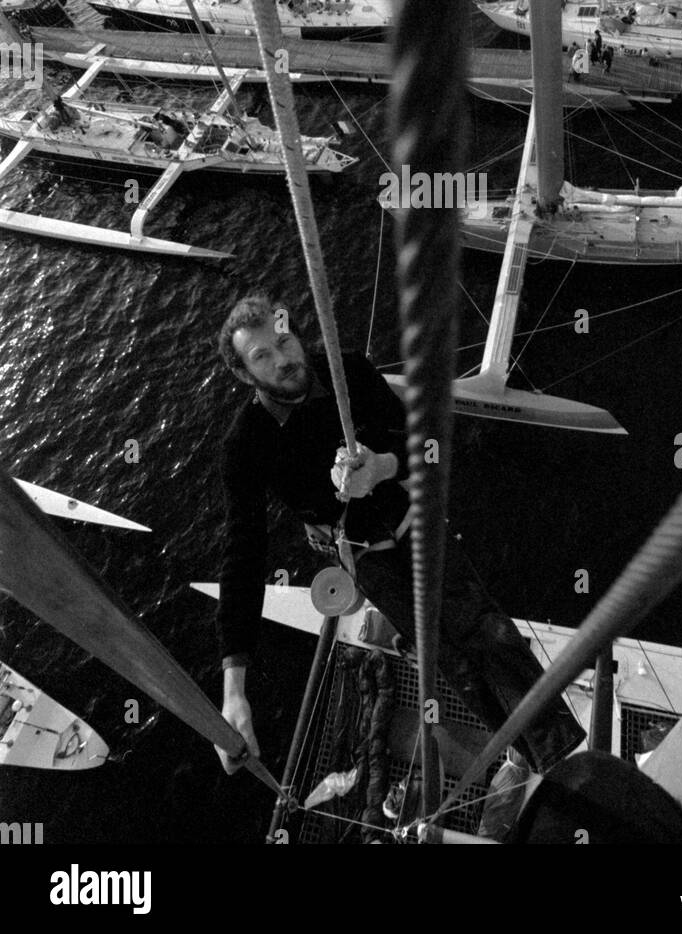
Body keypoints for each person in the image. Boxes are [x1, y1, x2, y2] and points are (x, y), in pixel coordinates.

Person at [213, 295, 585, 778]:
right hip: (363, 551)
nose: (283, 359)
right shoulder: (246, 444)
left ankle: (559, 757)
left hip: (406, 514)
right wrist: (234, 689)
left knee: (484, 628)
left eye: (284, 341)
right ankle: (523, 746)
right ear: (245, 375)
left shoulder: (348, 371)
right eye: (262, 356)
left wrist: (383, 466)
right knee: (447, 657)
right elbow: (243, 553)